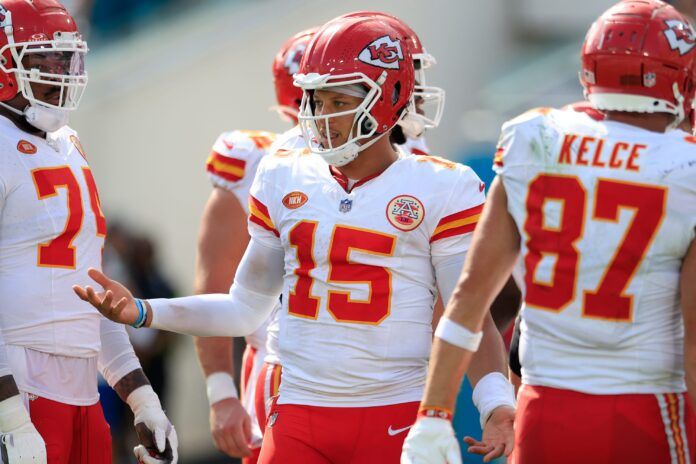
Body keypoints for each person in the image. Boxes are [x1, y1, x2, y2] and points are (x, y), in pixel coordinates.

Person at [75, 14, 516, 464]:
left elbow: (469, 315)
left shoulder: (442, 185)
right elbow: (244, 307)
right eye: (316, 100)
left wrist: (495, 403)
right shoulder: (283, 172)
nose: (323, 116)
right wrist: (144, 312)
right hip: (299, 413)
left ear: (388, 99)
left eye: (338, 101)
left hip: (397, 413)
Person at [402, 1, 696, 463]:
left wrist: (434, 414)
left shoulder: (537, 138)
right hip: (645, 406)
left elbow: (468, 300)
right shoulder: (685, 167)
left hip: (545, 408)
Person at [0, 1, 177, 463]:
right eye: (44, 60)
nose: (60, 72)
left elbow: (88, 287)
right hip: (18, 387)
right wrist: (9, 415)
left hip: (82, 394)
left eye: (65, 59)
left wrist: (142, 398)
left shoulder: (67, 143)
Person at [193, 27, 316, 462]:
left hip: (381, 378)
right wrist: (221, 392)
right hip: (283, 370)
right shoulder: (256, 165)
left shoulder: (408, 165)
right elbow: (214, 288)